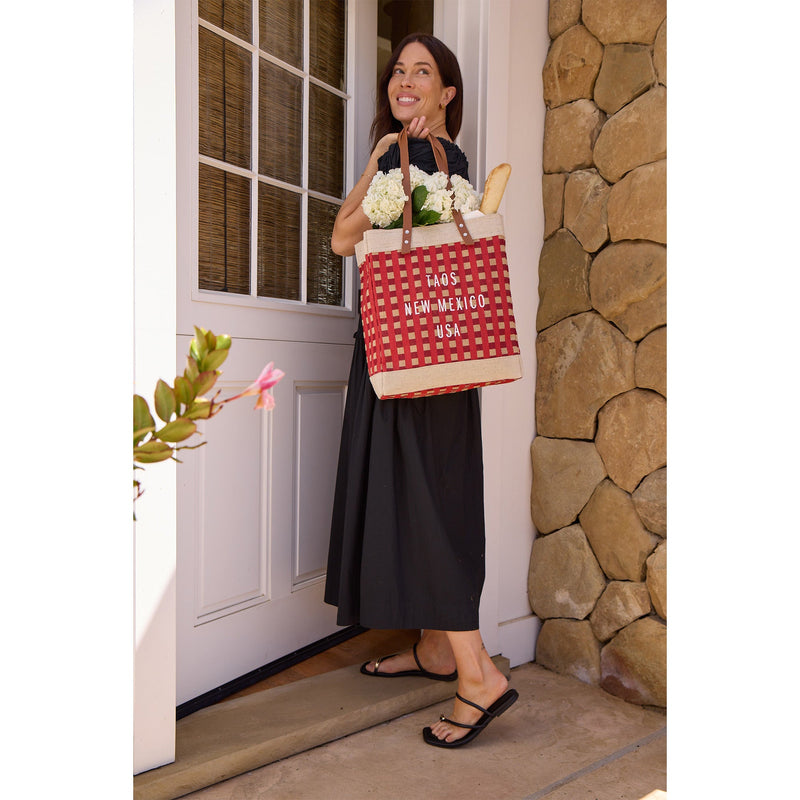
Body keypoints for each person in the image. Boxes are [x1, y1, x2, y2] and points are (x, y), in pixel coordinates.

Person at [324, 33, 517, 748]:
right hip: (413, 362)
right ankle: (439, 651)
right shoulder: (401, 158)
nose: (405, 81)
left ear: (447, 94)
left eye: (423, 72)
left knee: (430, 514)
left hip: (417, 366)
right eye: (398, 70)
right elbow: (345, 236)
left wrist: (385, 165)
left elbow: (345, 242)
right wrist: (378, 160)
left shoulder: (437, 163)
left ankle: (478, 677)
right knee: (431, 503)